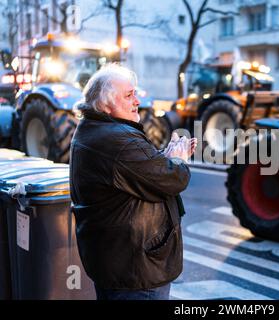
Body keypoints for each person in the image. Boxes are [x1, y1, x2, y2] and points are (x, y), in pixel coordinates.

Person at [69, 64, 197, 300]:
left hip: (118, 262)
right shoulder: (118, 140)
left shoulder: (95, 130)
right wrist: (177, 161)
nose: (137, 101)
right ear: (105, 104)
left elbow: (137, 172)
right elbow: (173, 179)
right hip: (136, 271)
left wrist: (163, 159)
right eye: (129, 95)